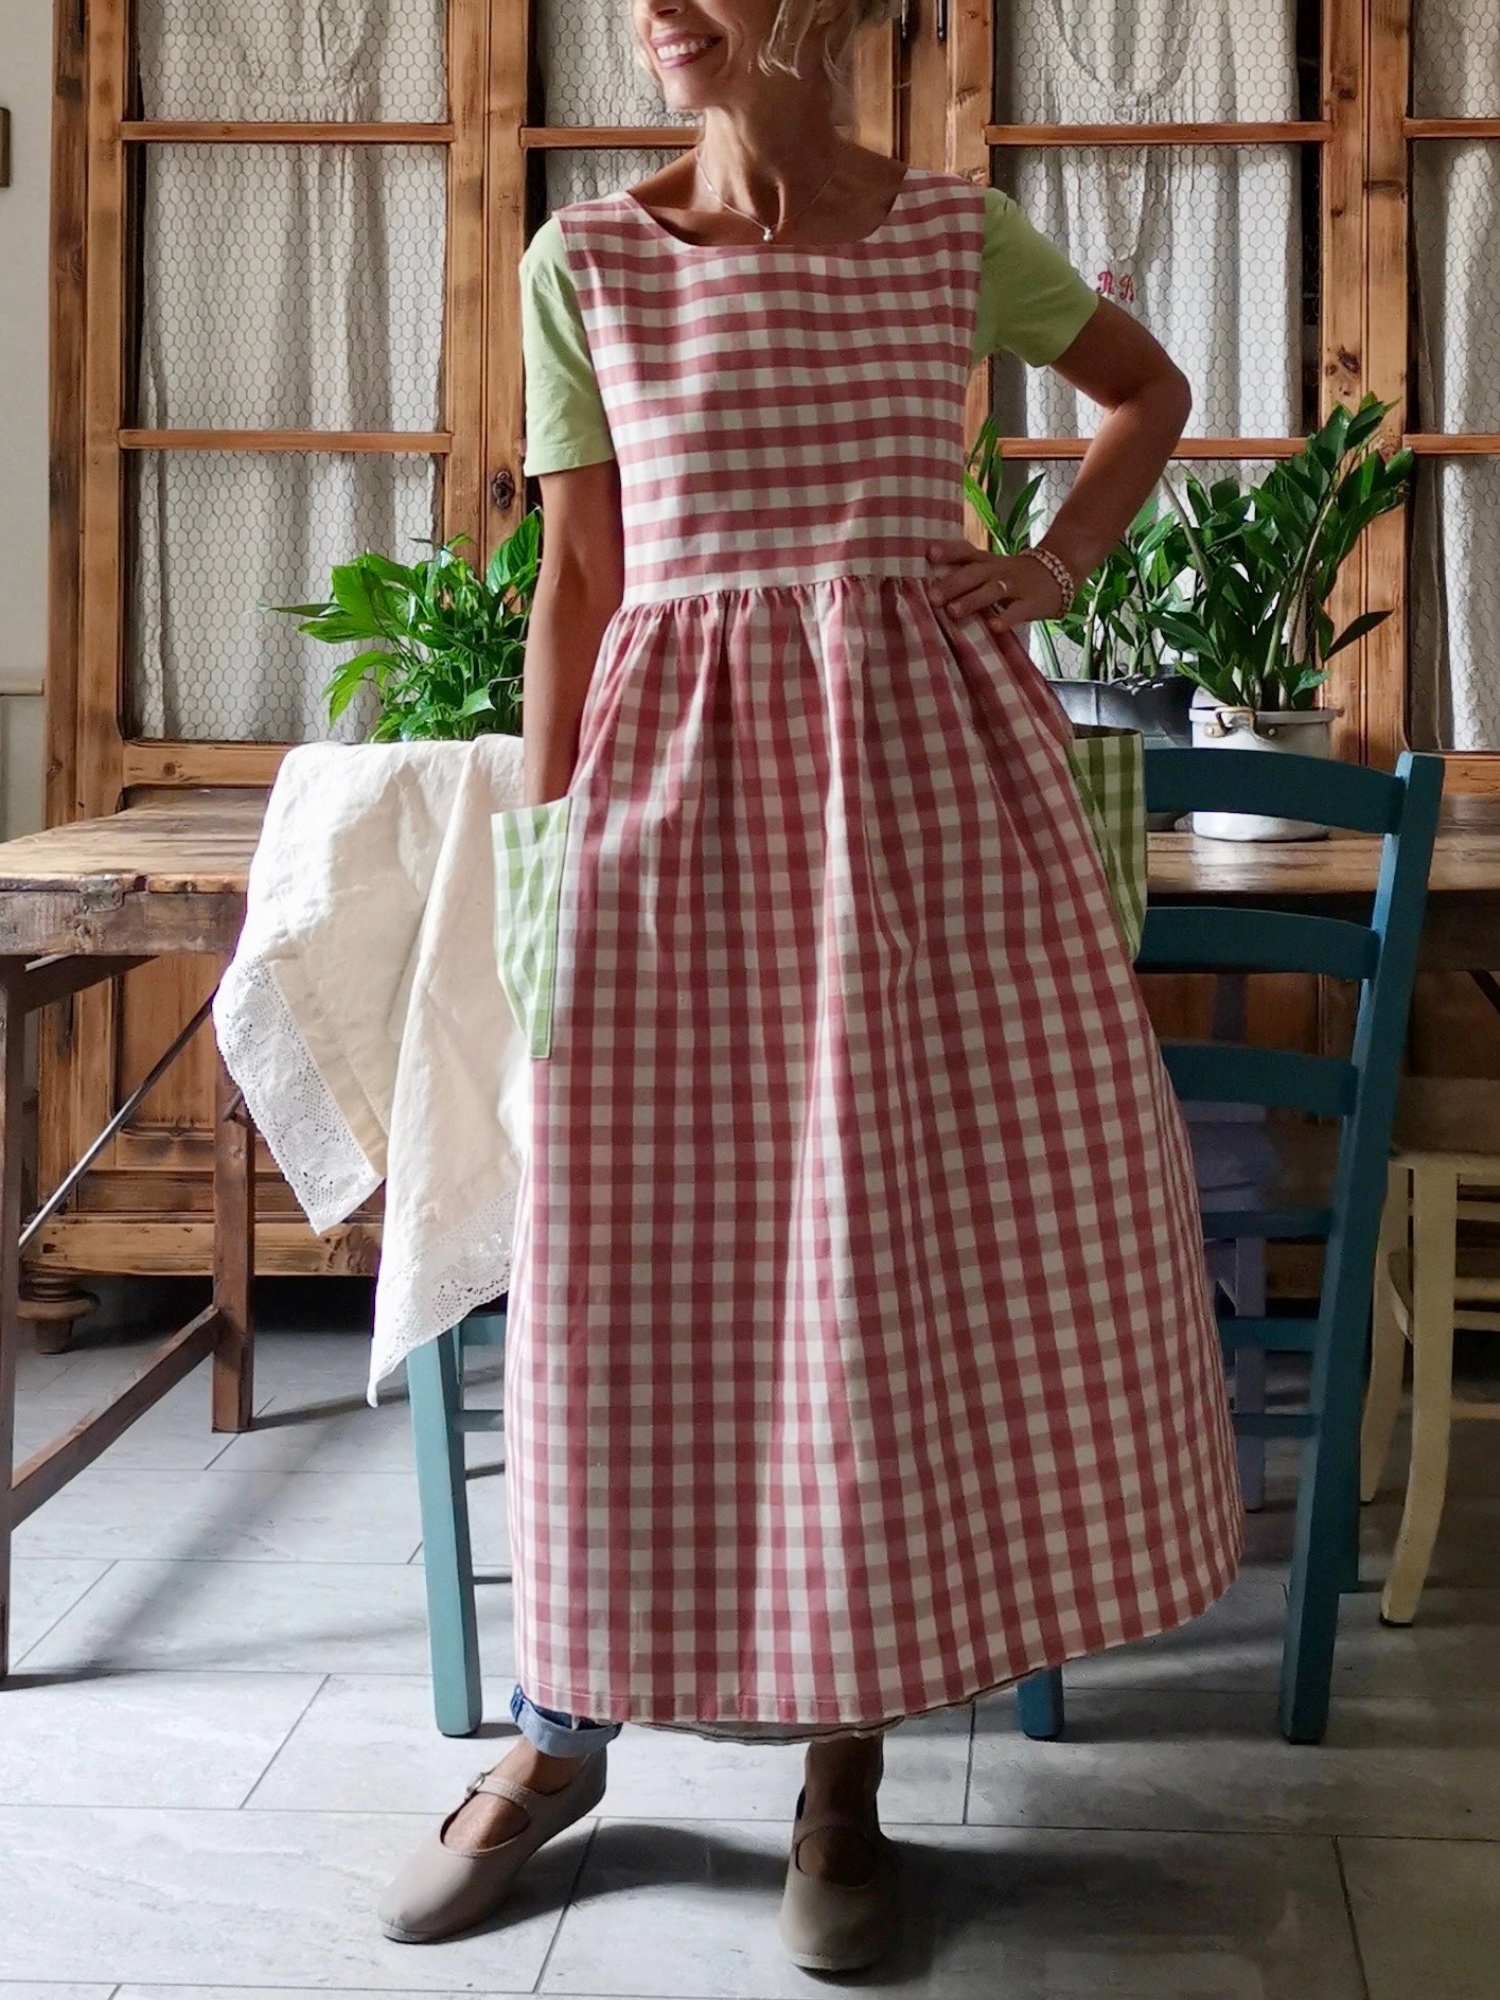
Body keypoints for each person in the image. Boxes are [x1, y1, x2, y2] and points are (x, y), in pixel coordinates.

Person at [379, 0, 1242, 1971]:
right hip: (674, 814)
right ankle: (556, 1737)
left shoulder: (952, 236)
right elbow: (580, 582)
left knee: (879, 1256)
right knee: (630, 1264)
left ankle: (845, 1766)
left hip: (925, 810)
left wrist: (1051, 563)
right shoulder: (587, 259)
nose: (654, 6)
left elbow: (1148, 390)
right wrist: (548, 864)